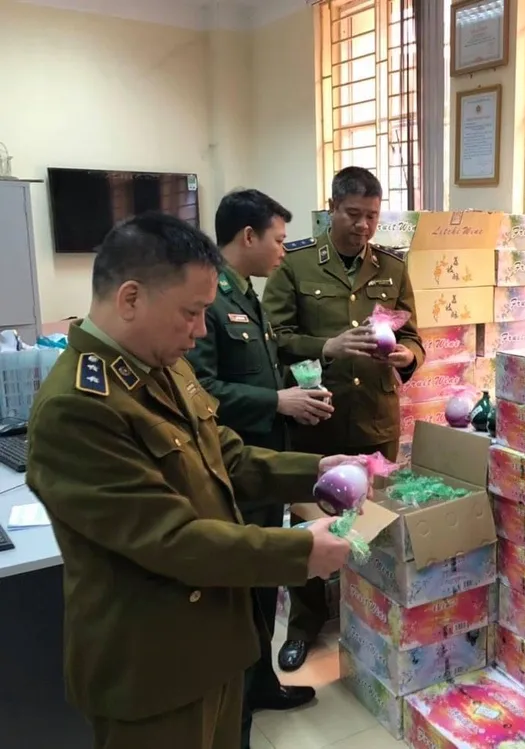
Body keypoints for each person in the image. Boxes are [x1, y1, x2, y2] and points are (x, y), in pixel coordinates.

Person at [25, 212, 366, 749]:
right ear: (131, 298)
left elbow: (224, 454)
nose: (202, 330)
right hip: (152, 669)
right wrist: (300, 552)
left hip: (215, 644)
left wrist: (315, 470)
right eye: (191, 312)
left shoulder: (163, 361)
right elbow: (168, 537)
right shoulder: (78, 407)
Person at [186, 190, 335, 746]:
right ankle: (242, 704)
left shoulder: (248, 294)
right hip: (235, 469)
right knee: (245, 592)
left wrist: (299, 394)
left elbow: (261, 372)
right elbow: (202, 390)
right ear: (247, 236)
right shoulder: (211, 302)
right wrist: (275, 402)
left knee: (264, 590)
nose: (282, 250)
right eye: (277, 239)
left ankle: (262, 683)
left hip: (266, 462)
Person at [262, 166, 424, 671]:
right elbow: (273, 338)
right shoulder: (297, 265)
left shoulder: (392, 267)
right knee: (312, 522)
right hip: (318, 419)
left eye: (372, 216)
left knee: (371, 522)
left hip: (374, 415)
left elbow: (413, 336)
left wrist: (407, 356)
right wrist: (326, 346)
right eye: (353, 214)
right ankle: (305, 622)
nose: (363, 226)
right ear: (332, 209)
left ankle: (369, 616)